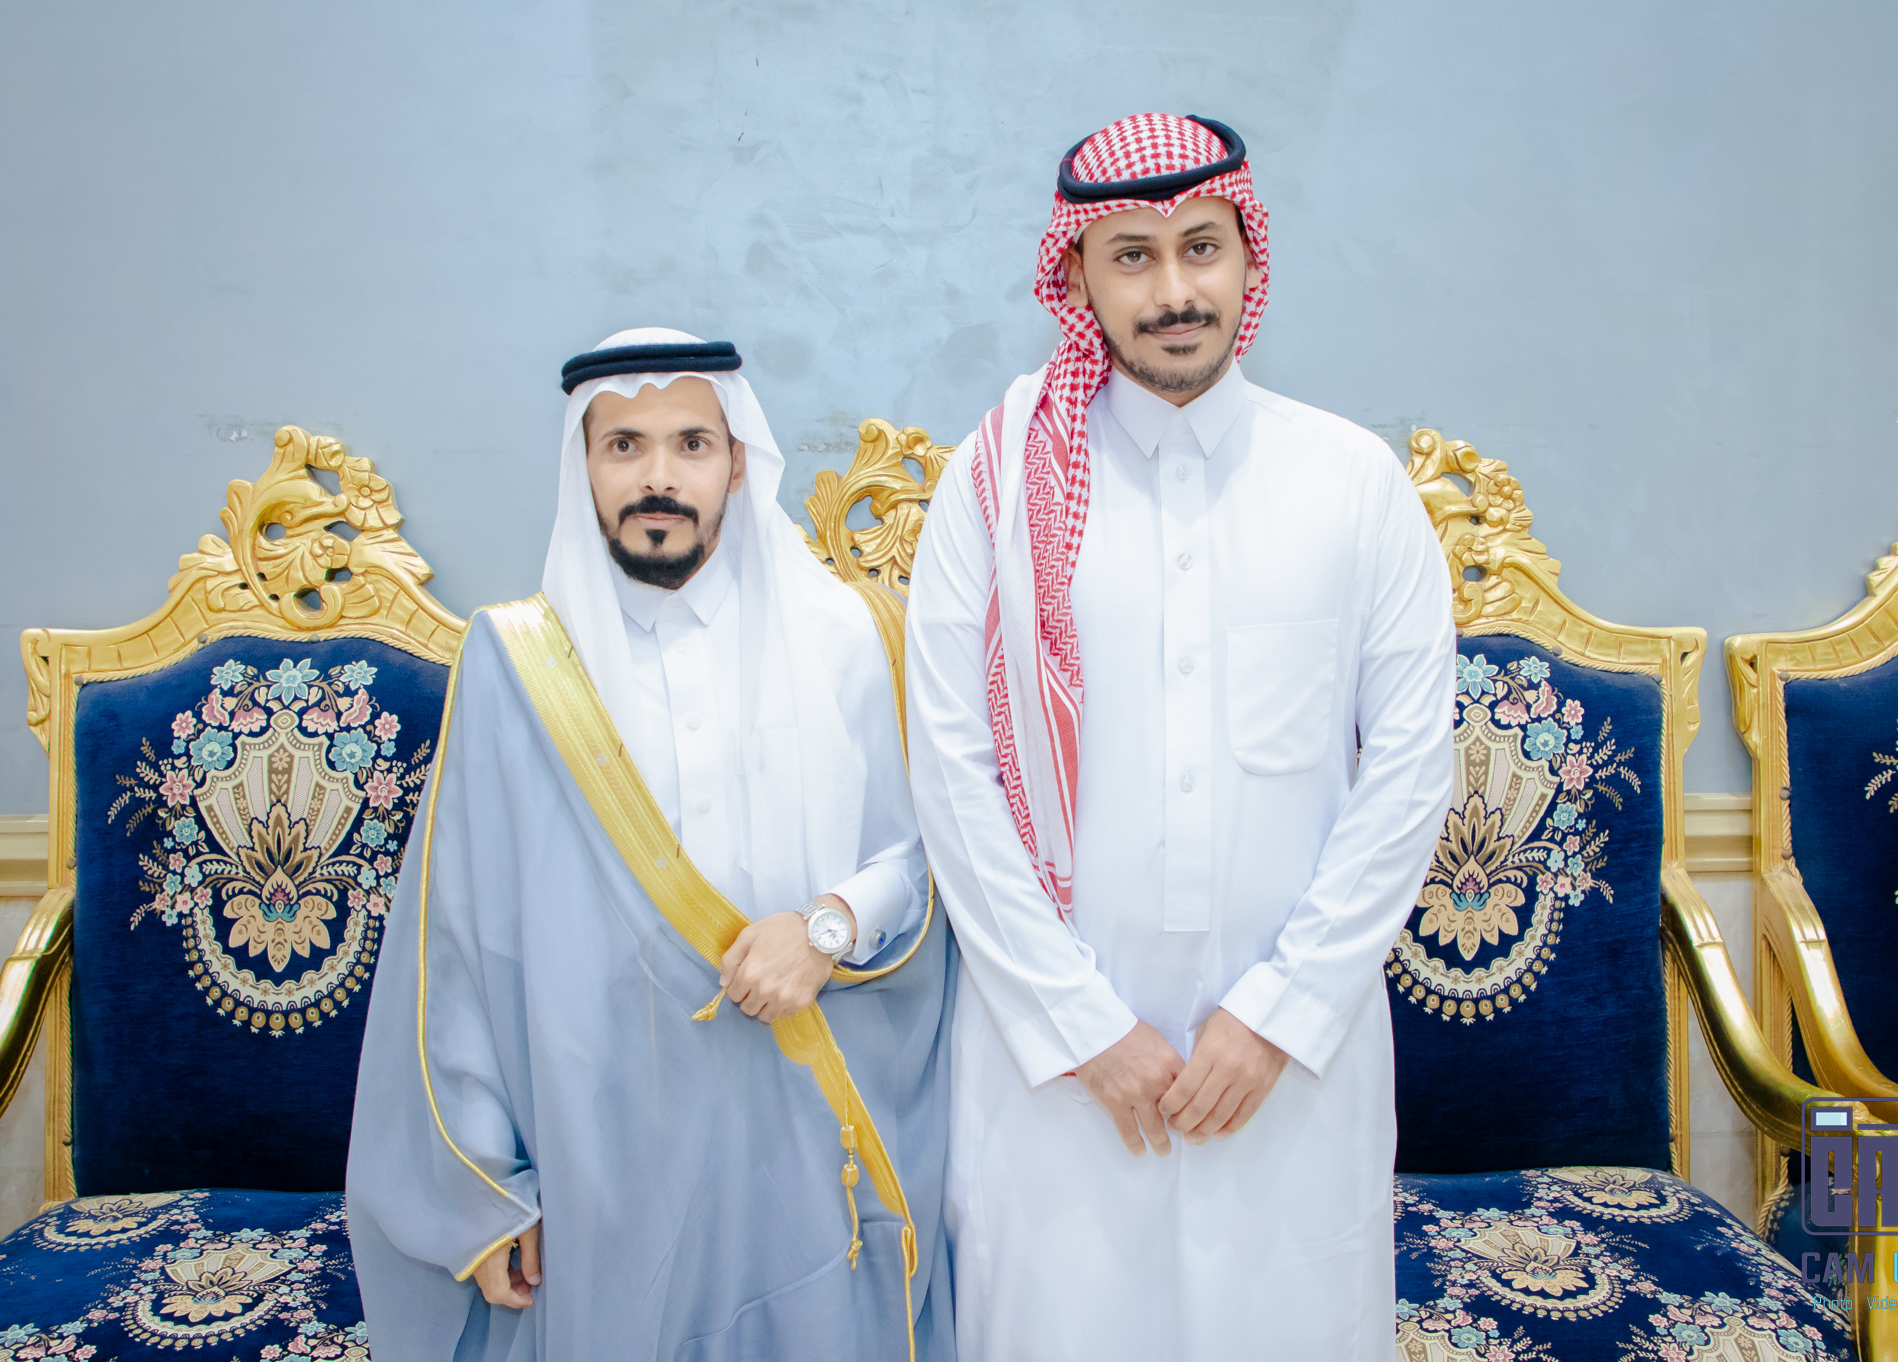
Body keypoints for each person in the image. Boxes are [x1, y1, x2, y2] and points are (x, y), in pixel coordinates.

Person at [905, 115, 1455, 1361]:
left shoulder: (1351, 481)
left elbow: (1408, 772)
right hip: (1055, 1077)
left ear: (1248, 257)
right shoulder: (993, 486)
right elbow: (953, 776)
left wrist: (1278, 1013)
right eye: (1131, 257)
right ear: (1077, 275)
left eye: (1201, 248)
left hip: (1293, 1073)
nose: (1172, 291)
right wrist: (1079, 1026)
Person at [347, 328, 953, 1360]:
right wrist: (486, 1192)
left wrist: (825, 929)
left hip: (802, 1116)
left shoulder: (847, 635)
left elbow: (916, 861)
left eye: (690, 444)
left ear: (737, 464)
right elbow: (457, 941)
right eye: (623, 445)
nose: (657, 476)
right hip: (597, 1138)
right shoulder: (516, 664)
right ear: (582, 466)